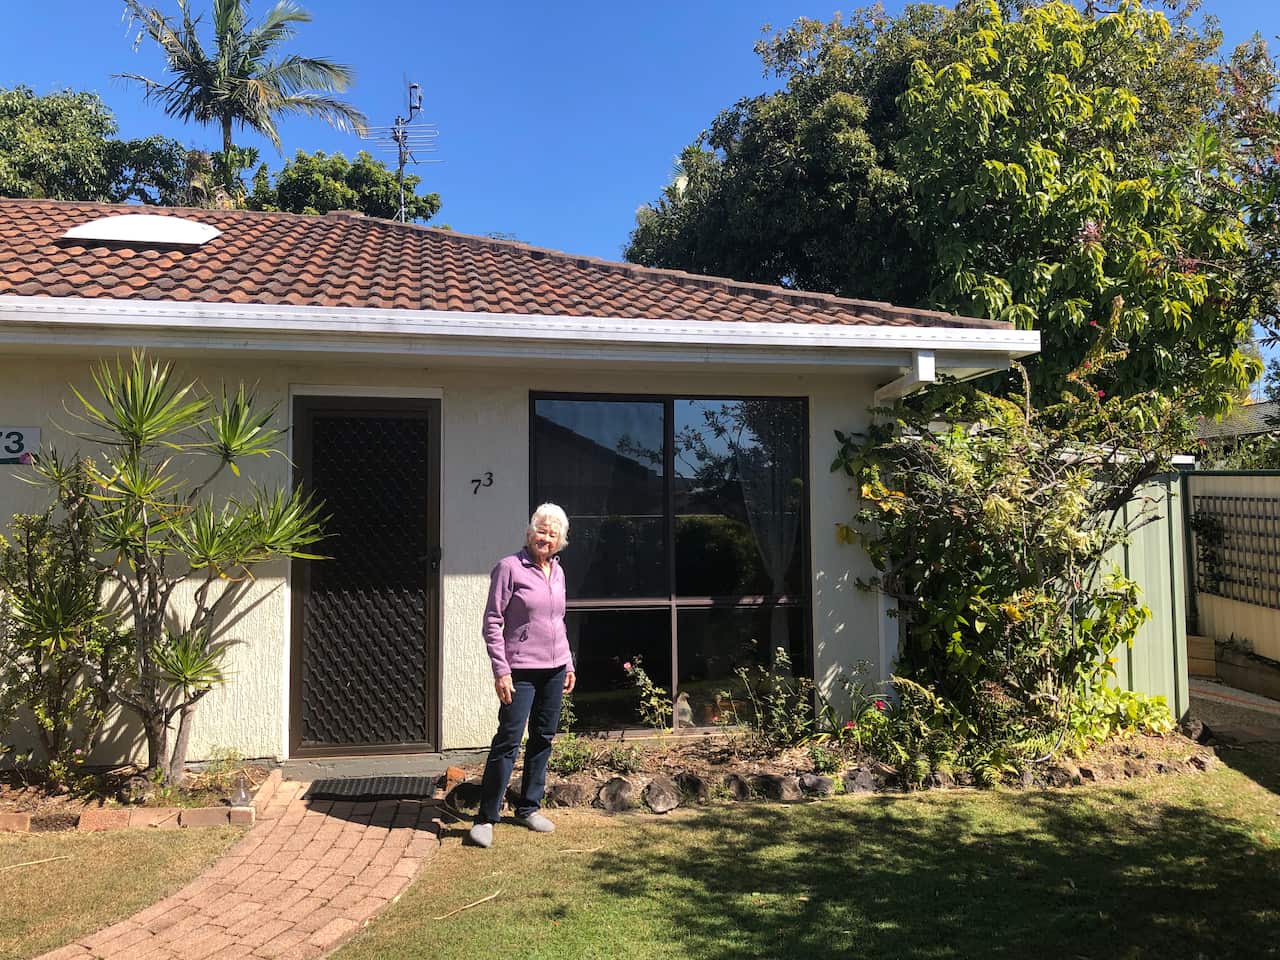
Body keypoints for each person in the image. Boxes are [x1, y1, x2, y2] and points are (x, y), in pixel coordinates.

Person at [469, 503, 576, 849]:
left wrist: (569, 663)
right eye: (541, 530)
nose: (546, 536)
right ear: (529, 533)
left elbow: (557, 622)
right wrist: (501, 670)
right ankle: (486, 817)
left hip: (556, 668)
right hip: (521, 671)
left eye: (553, 532)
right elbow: (493, 622)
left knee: (543, 738)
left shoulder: (557, 572)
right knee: (508, 741)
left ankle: (529, 807)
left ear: (561, 540)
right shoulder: (509, 568)